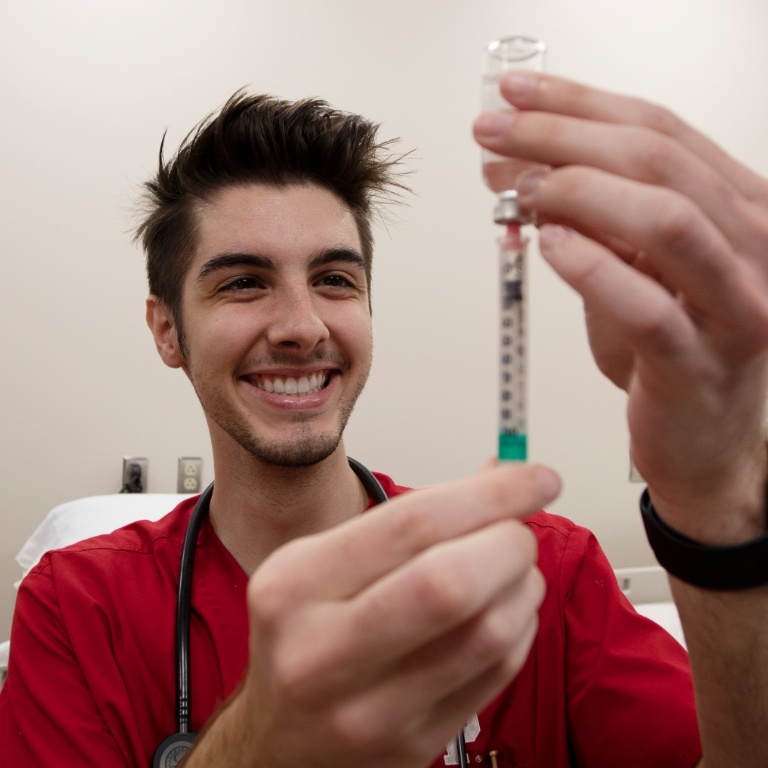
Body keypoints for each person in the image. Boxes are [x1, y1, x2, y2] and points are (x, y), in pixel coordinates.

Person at [0, 70, 766, 767]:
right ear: (167, 329)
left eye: (335, 278)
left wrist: (716, 485)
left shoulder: (541, 575)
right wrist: (260, 742)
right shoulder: (75, 609)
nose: (303, 325)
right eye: (243, 283)